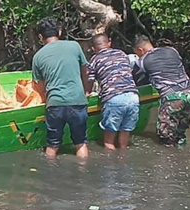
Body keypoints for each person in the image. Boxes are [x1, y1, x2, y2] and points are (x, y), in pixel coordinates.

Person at [32, 17, 90, 159]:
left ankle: (50, 177)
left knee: (52, 145)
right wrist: (85, 91)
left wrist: (47, 98)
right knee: (81, 143)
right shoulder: (74, 46)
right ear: (59, 31)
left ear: (40, 37)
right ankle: (83, 176)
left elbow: (38, 86)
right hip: (77, 101)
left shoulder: (37, 57)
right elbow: (85, 71)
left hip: (55, 104)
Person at [130, 34, 190, 147]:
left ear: (140, 49)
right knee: (180, 133)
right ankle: (182, 156)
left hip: (172, 97)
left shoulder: (143, 61)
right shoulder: (172, 50)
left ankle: (167, 161)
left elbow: (138, 80)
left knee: (165, 136)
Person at [85, 33, 140, 150]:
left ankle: (110, 165)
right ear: (109, 43)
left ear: (94, 48)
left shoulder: (94, 59)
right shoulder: (121, 53)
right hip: (133, 96)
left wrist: (87, 93)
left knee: (109, 142)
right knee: (125, 134)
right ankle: (123, 161)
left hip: (114, 97)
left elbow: (89, 81)